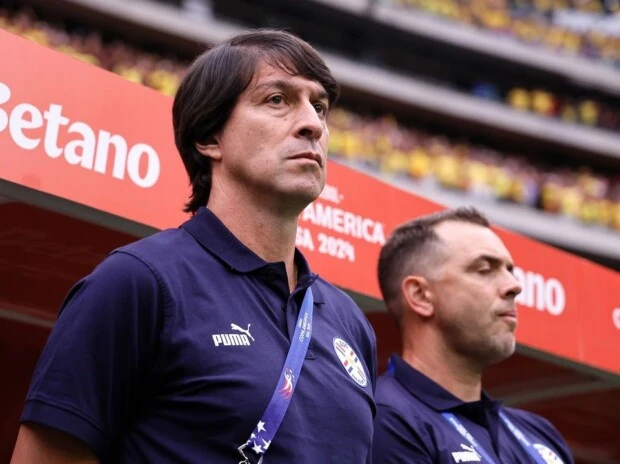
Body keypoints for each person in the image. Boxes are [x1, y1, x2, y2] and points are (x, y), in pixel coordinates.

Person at [11, 29, 377, 463]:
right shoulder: (138, 282)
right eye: (277, 100)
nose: (313, 124)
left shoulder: (350, 323)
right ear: (209, 138)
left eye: (319, 107)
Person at [372, 207, 574, 464]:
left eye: (509, 270)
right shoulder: (384, 415)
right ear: (420, 295)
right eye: (484, 269)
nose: (514, 286)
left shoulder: (541, 435)